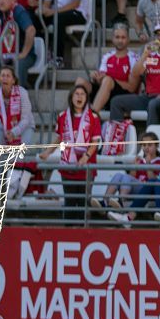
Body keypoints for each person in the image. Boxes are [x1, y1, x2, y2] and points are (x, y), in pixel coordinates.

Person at [39, 84, 100, 220]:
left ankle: (83, 236)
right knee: (70, 203)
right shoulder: (62, 116)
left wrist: (86, 156)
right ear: (71, 97)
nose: (79, 97)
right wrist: (47, 152)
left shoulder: (93, 117)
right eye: (76, 94)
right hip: (67, 166)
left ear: (86, 98)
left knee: (83, 203)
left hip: (86, 167)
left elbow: (95, 142)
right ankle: (69, 233)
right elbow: (59, 138)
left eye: (82, 94)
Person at [108, 23, 160, 124]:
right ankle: (116, 136)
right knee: (116, 101)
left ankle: (149, 138)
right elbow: (135, 74)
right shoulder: (150, 57)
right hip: (147, 97)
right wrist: (145, 54)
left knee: (153, 104)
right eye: (157, 35)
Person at [101, 132, 160, 226]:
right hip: (135, 188)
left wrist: (148, 165)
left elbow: (154, 181)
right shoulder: (140, 161)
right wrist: (135, 166)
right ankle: (105, 201)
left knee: (126, 177)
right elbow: (133, 177)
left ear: (156, 146)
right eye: (144, 145)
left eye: (150, 145)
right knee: (119, 175)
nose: (146, 147)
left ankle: (121, 202)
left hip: (147, 190)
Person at [40, 0, 88, 65]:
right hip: (58, 12)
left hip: (78, 12)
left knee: (59, 18)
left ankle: (58, 58)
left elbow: (76, 3)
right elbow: (46, 4)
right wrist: (42, 10)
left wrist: (53, 12)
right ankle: (42, 54)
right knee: (37, 19)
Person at [85, 24, 138, 114]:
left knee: (108, 80)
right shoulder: (107, 56)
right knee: (81, 82)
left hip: (124, 96)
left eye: (123, 37)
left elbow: (132, 87)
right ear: (112, 39)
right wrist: (95, 78)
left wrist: (111, 81)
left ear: (128, 39)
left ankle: (92, 117)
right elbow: (101, 80)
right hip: (106, 93)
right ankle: (76, 116)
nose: (120, 40)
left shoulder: (134, 58)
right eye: (117, 37)